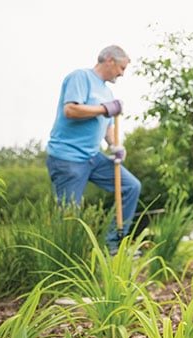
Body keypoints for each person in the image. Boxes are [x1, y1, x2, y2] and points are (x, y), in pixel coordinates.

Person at [46, 45, 141, 256]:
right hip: (67, 157)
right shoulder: (80, 77)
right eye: (121, 68)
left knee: (131, 186)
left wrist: (116, 145)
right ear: (109, 60)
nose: (122, 73)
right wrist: (105, 108)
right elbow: (70, 110)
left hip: (92, 156)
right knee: (69, 215)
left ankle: (114, 244)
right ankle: (67, 262)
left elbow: (106, 125)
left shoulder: (107, 91)